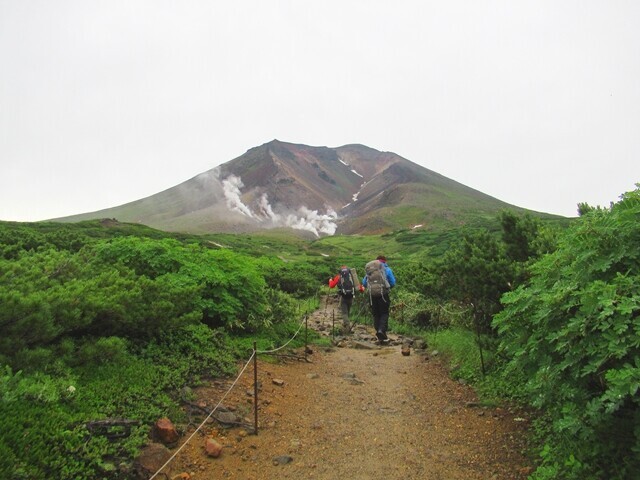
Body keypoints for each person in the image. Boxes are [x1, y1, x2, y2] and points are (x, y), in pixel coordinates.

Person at [361, 255, 396, 343]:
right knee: (384, 313)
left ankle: (380, 335)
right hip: (383, 295)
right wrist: (387, 288)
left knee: (376, 314)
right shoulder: (387, 269)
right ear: (385, 261)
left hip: (372, 296)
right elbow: (392, 282)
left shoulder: (371, 270)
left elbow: (364, 283)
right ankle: (381, 330)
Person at [328, 265, 358, 332]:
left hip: (343, 296)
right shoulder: (351, 276)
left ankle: (347, 326)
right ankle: (347, 324)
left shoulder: (339, 276)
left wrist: (330, 280)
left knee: (344, 313)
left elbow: (331, 285)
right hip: (351, 296)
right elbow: (358, 286)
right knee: (348, 311)